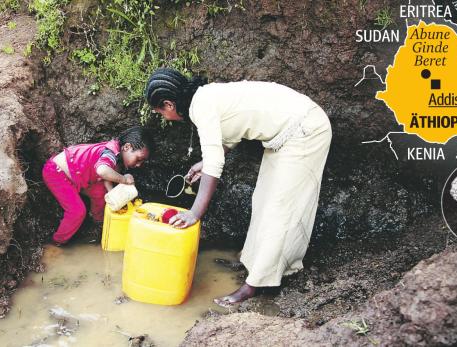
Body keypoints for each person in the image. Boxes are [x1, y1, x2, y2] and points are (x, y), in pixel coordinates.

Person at [144, 68, 332, 306]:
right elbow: (229, 135)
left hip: (305, 130)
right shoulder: (204, 98)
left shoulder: (202, 107)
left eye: (159, 111)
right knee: (263, 200)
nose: (162, 116)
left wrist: (194, 213)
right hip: (284, 136)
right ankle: (255, 265)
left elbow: (216, 164)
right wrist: (203, 163)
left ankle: (252, 286)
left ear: (169, 104)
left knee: (281, 208)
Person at [42, 126, 154, 245]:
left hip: (76, 175)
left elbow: (107, 177)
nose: (138, 165)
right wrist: (124, 180)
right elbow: (102, 171)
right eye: (138, 159)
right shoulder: (110, 153)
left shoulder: (117, 154)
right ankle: (56, 242)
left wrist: (113, 196)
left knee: (101, 194)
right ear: (127, 147)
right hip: (56, 173)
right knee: (77, 211)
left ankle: (99, 224)